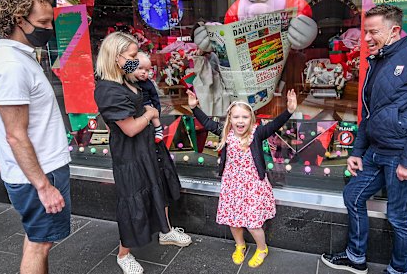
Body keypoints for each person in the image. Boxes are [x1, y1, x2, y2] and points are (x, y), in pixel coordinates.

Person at [321, 4, 407, 274]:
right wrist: (357, 151)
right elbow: (369, 113)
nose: (366, 38)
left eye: (372, 32)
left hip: (402, 156)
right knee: (353, 196)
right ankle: (355, 258)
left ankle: (397, 270)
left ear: (395, 31)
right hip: (375, 153)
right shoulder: (378, 60)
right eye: (365, 31)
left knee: (400, 218)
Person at [0, 0, 71, 274]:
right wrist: (44, 187)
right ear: (20, 20)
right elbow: (15, 135)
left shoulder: (18, 59)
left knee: (38, 237)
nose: (49, 27)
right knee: (40, 243)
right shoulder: (11, 66)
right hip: (39, 174)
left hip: (41, 170)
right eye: (43, 21)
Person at [94, 32, 191, 274]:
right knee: (133, 201)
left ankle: (166, 232)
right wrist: (149, 115)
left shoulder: (127, 80)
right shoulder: (108, 89)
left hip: (148, 148)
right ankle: (123, 254)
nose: (137, 60)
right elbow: (128, 128)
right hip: (130, 156)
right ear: (116, 58)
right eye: (133, 56)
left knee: (161, 187)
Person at [186, 88, 297, 268]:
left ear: (251, 119)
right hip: (232, 185)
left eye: (244, 117)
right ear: (230, 118)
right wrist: (194, 108)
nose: (240, 121)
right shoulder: (226, 133)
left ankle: (262, 248)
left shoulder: (257, 133)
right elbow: (206, 123)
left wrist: (289, 110)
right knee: (233, 220)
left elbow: (275, 124)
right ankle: (240, 245)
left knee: (253, 223)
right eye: (236, 117)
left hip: (252, 185)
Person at [133, 52, 163, 143]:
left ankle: (158, 130)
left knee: (153, 115)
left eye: (146, 70)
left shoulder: (148, 83)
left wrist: (157, 109)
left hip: (146, 104)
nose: (143, 72)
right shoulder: (130, 82)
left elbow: (154, 96)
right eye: (140, 68)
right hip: (135, 106)